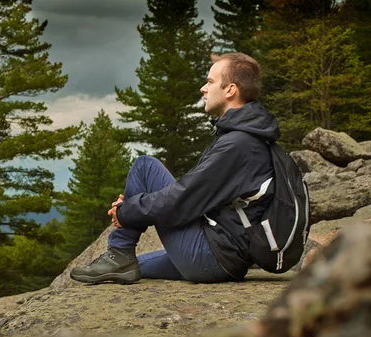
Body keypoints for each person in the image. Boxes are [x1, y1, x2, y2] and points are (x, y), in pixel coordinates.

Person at [70, 52, 279, 284]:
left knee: (144, 167)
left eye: (209, 82)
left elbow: (183, 199)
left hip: (212, 256)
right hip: (224, 256)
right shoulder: (245, 137)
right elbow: (198, 195)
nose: (203, 88)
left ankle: (119, 251)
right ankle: (122, 259)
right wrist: (132, 208)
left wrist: (126, 211)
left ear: (230, 90)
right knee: (137, 266)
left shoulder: (239, 144)